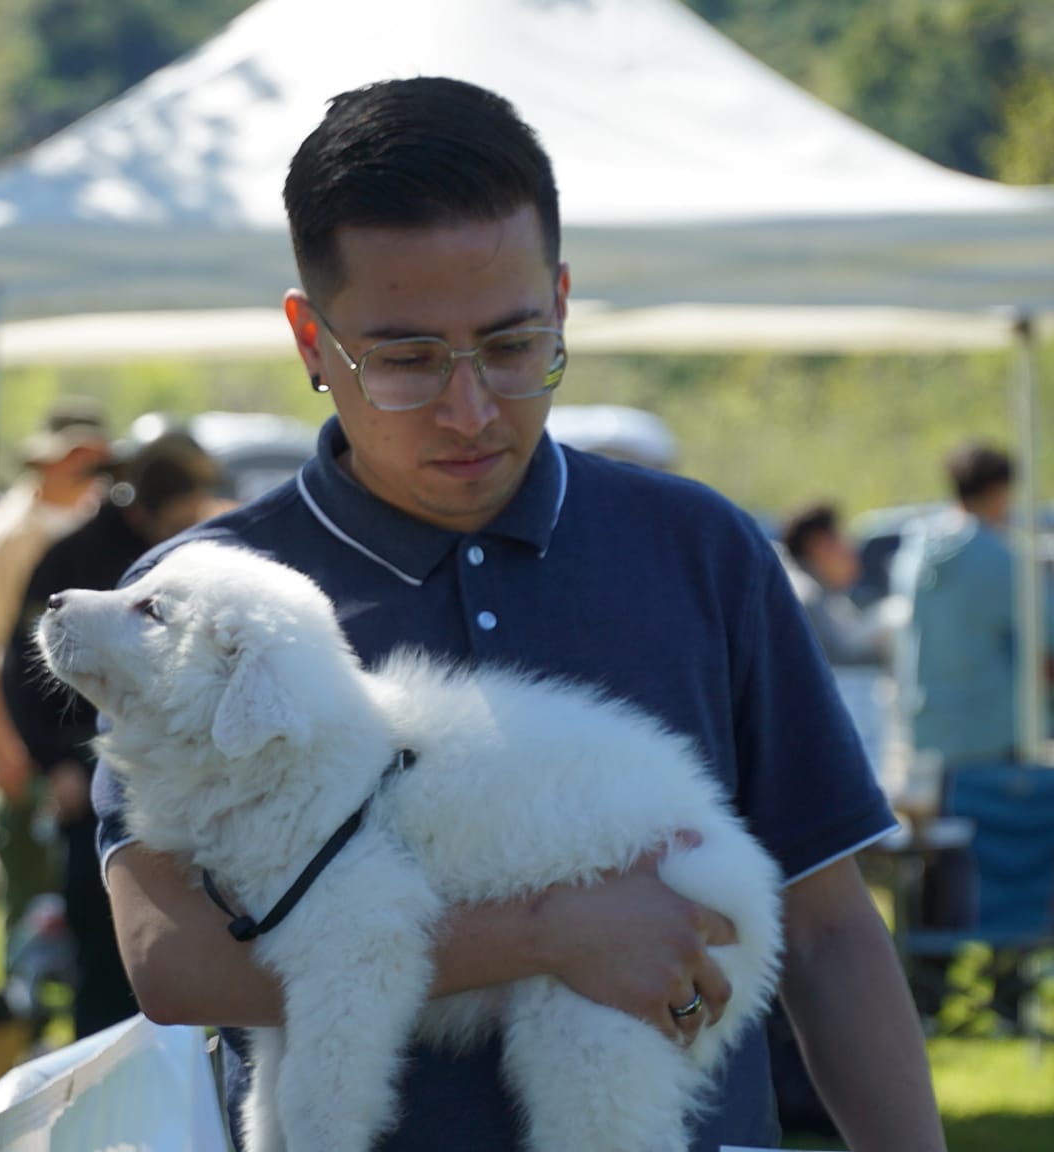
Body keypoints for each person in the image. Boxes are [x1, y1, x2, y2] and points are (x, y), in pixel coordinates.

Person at [92, 79, 943, 1151]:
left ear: (562, 297)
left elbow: (827, 936)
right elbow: (172, 962)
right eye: (403, 359)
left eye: (510, 344)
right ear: (310, 340)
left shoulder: (700, 549)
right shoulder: (201, 597)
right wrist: (551, 932)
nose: (469, 409)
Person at [2, 431, 222, 1038]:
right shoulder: (73, 559)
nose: (190, 522)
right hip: (95, 779)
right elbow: (21, 670)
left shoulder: (188, 556)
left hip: (177, 785)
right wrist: (57, 763)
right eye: (180, 511)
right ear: (140, 505)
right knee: (105, 963)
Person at [0, 400, 112, 946]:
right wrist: (4, 746)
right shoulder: (9, 534)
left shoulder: (97, 521)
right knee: (28, 897)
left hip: (83, 740)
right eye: (76, 455)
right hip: (26, 740)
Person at [892, 442, 1054, 776]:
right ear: (999, 490)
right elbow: (1053, 640)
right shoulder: (1004, 561)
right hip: (995, 735)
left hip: (927, 730)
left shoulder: (911, 558)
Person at [780, 501, 890, 668]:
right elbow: (837, 666)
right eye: (843, 539)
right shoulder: (805, 596)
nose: (852, 550)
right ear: (820, 545)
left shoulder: (823, 595)